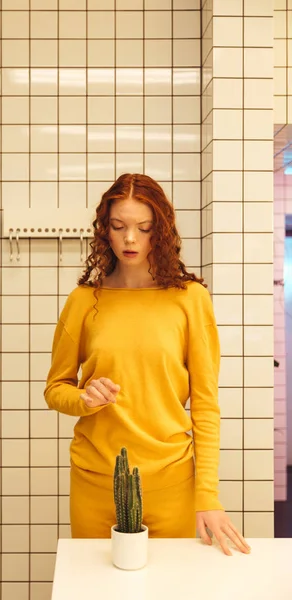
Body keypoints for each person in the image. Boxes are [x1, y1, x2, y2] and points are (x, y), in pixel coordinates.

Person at [44, 173, 251, 556]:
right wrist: (83, 399)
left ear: (163, 230)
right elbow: (55, 388)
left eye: (144, 228)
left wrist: (207, 495)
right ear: (104, 229)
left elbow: (205, 404)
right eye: (118, 226)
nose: (130, 239)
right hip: (95, 481)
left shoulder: (190, 299)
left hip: (171, 482)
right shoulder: (83, 300)